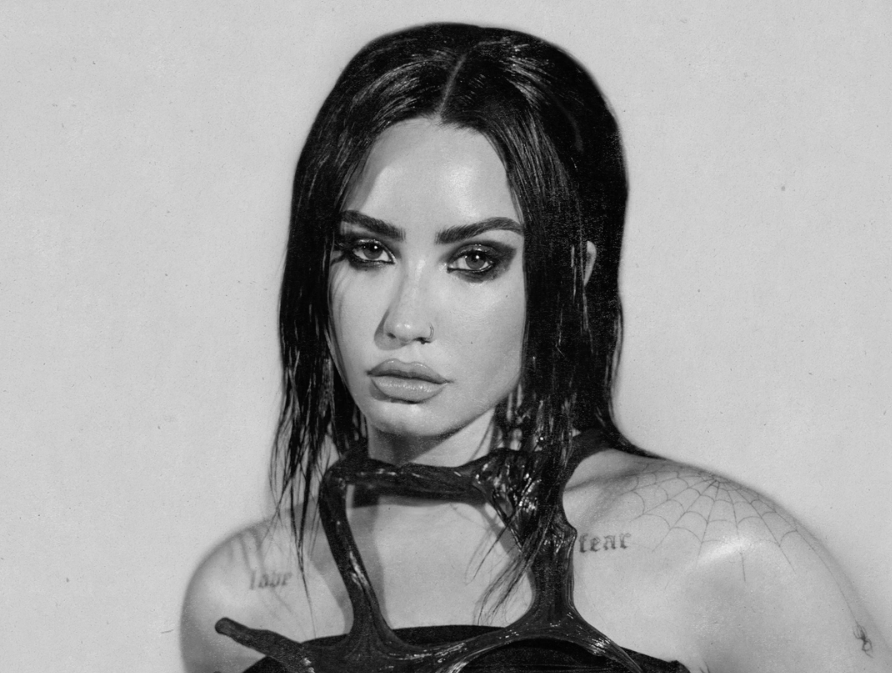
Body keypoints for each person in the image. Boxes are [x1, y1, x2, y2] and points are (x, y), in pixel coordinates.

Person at [181, 22, 891, 673]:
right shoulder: (242, 594)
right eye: (369, 251)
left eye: (475, 260)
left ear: (571, 275)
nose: (404, 320)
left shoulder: (714, 550)